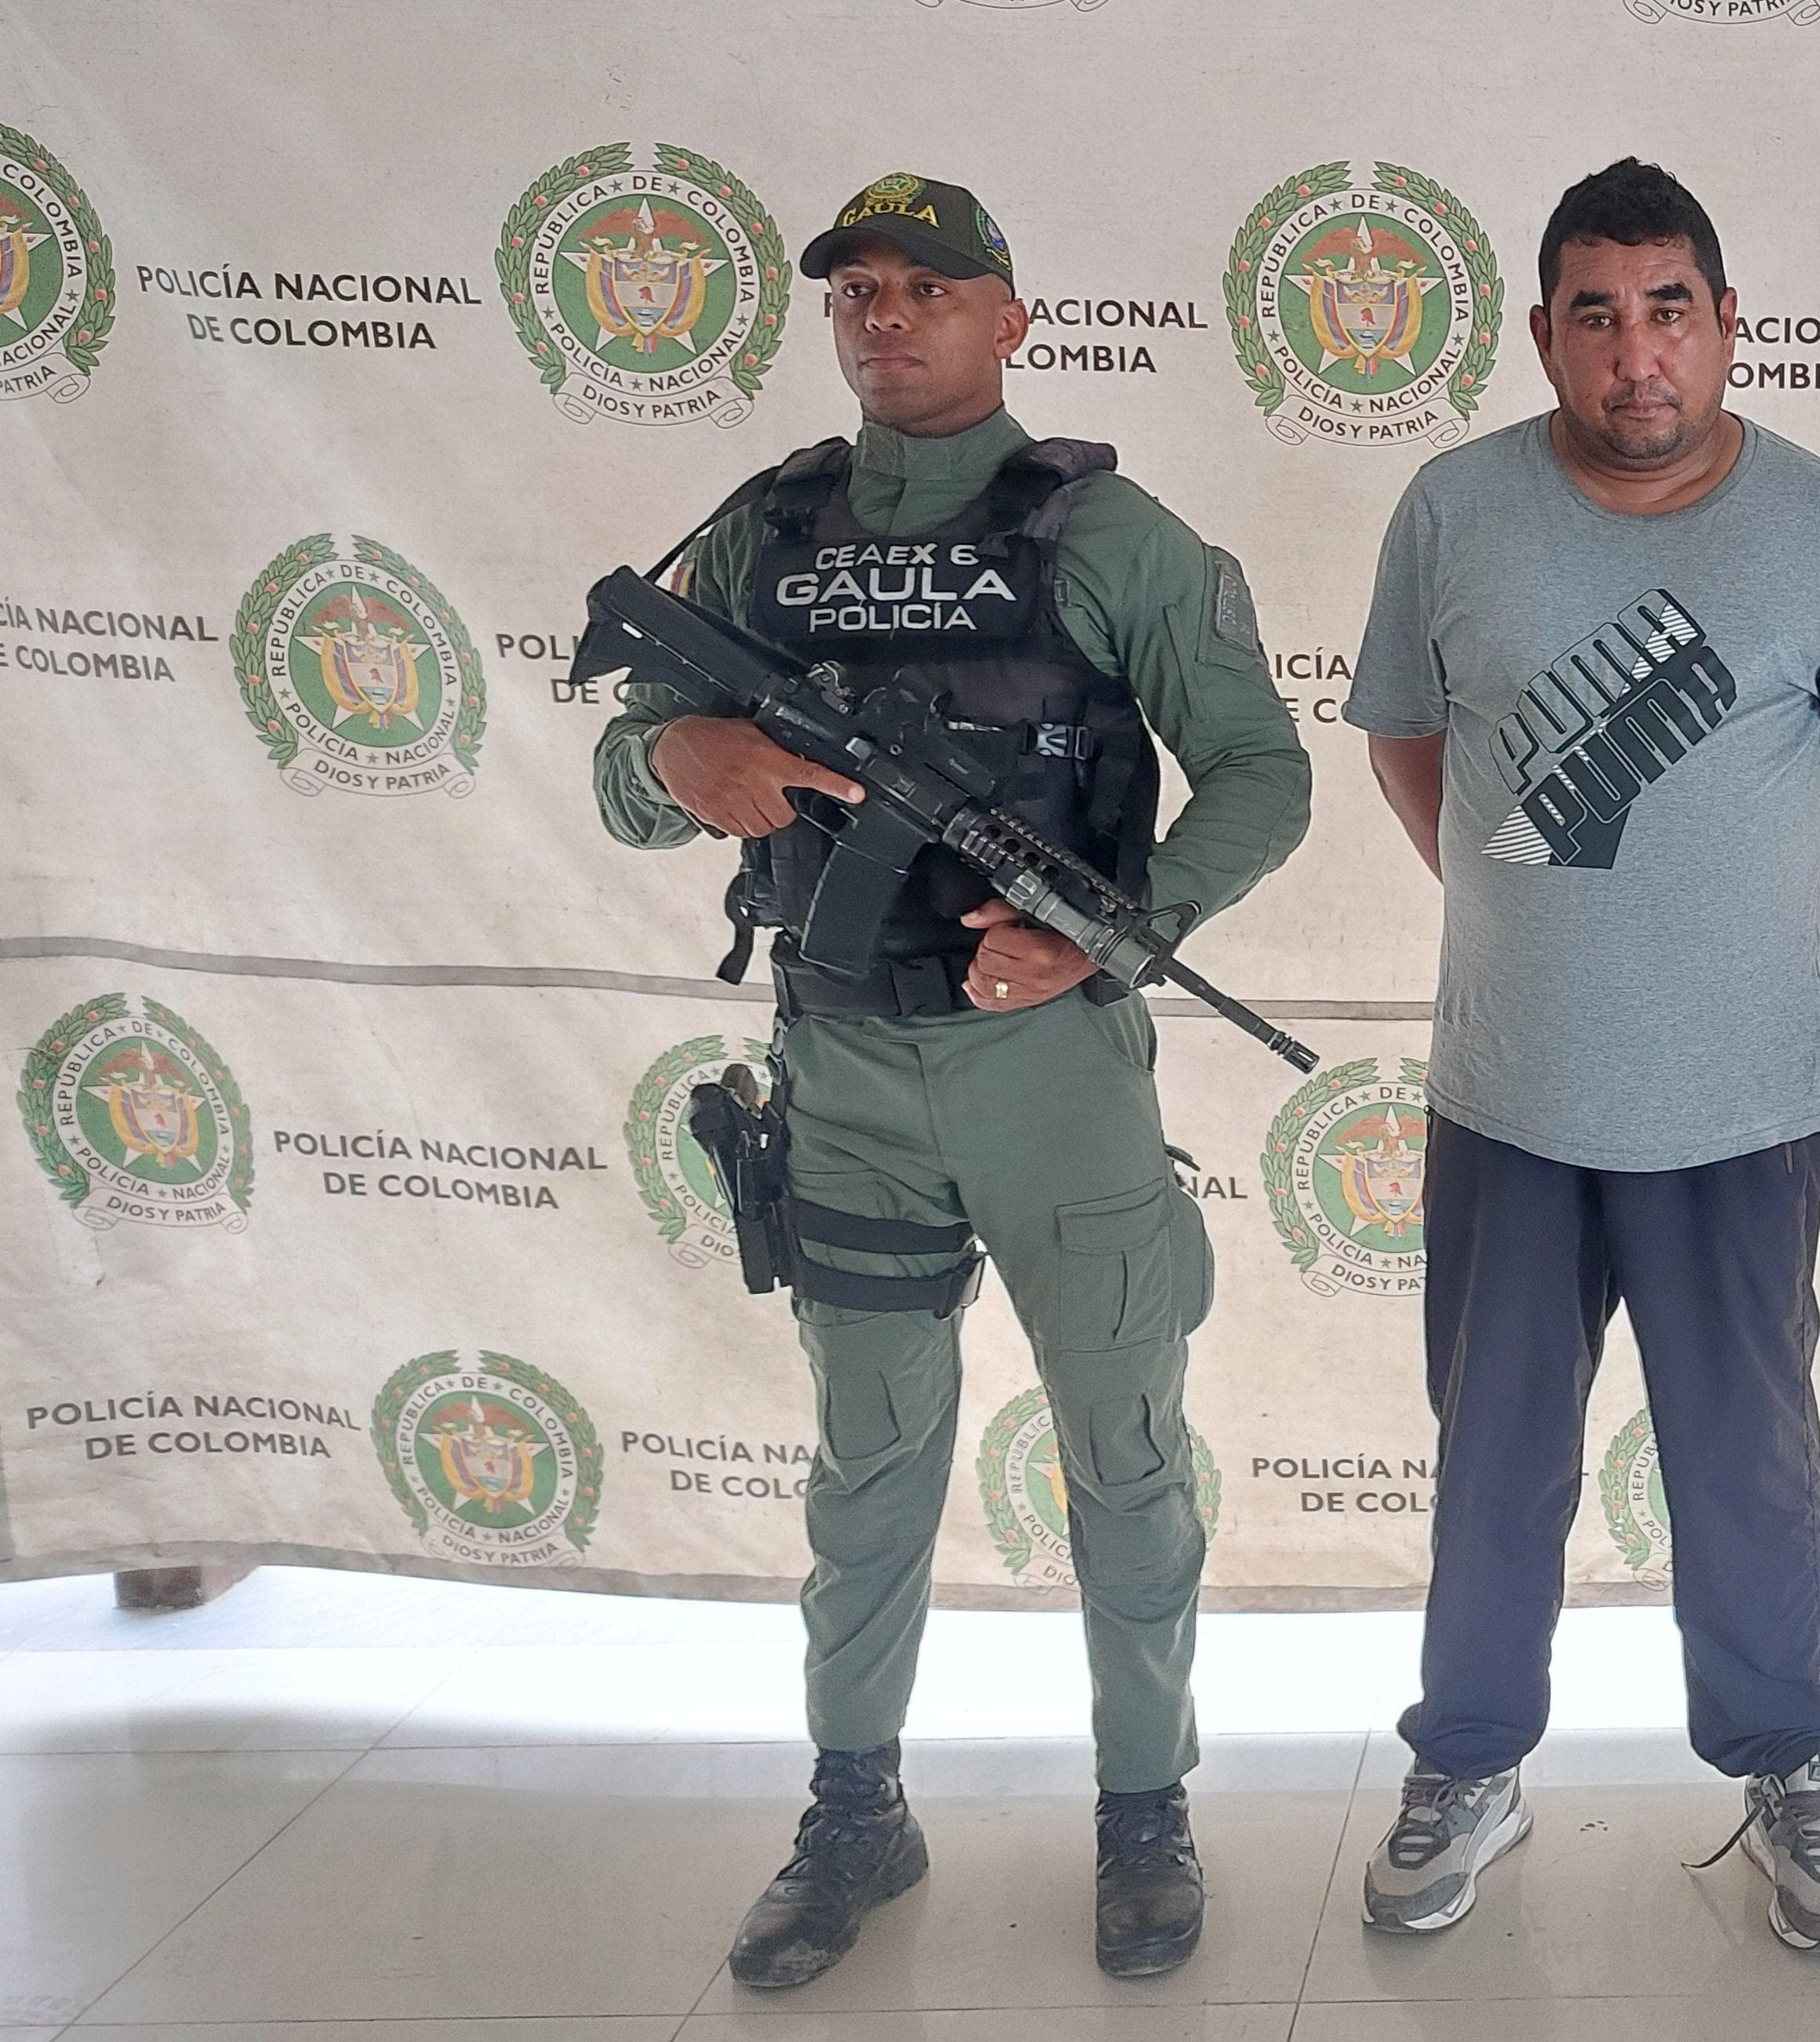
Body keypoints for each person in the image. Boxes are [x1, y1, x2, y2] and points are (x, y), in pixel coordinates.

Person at [588, 172, 1310, 1987]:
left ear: (1008, 317)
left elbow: (1262, 772)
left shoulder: (1107, 534)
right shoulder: (761, 532)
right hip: (839, 1066)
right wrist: (679, 757)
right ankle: (855, 1808)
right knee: (870, 1462)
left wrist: (1115, 933)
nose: (888, 317)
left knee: (1124, 1456)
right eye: (859, 291)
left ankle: (1143, 1809)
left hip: (1052, 1073)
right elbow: (621, 773)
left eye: (927, 288)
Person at [1342, 157, 1820, 1953]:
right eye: (1595, 313)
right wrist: (1522, 903)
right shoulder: (1454, 508)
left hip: (1737, 1097)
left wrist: (1732, 910)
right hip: (1511, 1089)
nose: (1635, 349)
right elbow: (1406, 736)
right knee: (1493, 1457)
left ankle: (1788, 1759)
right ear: (1543, 335)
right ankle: (1468, 1762)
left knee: (1744, 1457)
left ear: (1728, 323)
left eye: (1669, 307)